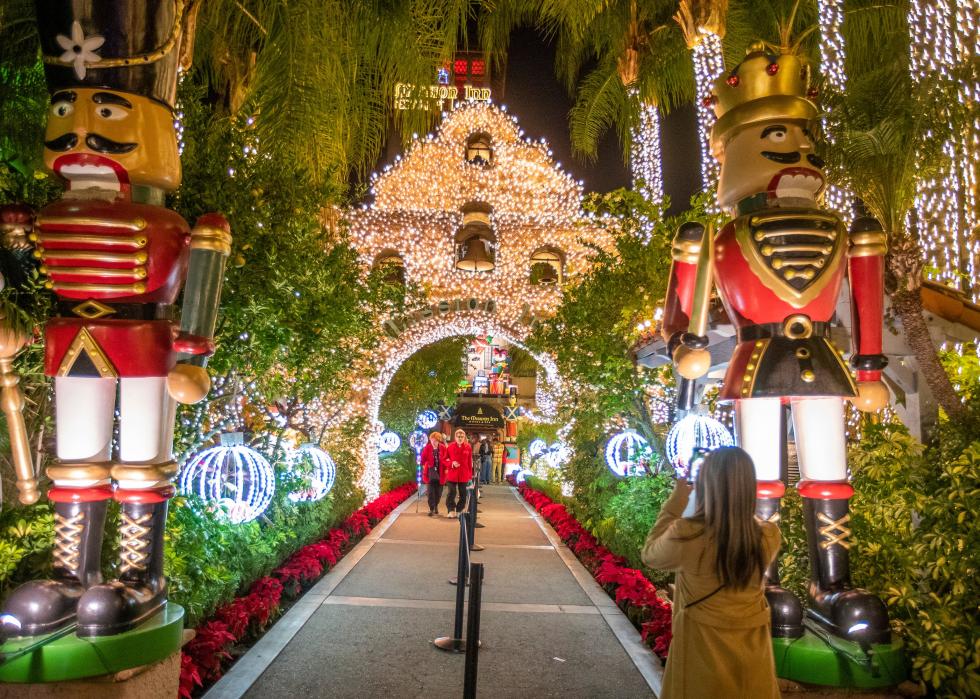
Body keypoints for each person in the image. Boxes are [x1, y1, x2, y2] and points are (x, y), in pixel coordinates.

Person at [641, 447, 781, 699]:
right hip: (752, 659)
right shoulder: (768, 536)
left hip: (701, 655)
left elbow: (650, 555)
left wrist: (674, 506)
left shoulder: (689, 534)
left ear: (706, 484)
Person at [444, 429, 473, 517]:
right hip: (452, 474)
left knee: (463, 493)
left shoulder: (468, 447)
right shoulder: (450, 447)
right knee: (451, 492)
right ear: (455, 437)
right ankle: (451, 509)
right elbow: (444, 459)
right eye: (458, 437)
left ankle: (460, 509)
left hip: (464, 474)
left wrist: (470, 476)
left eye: (462, 437)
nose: (460, 438)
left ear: (464, 438)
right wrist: (451, 463)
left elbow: (469, 462)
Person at [420, 432, 449, 516]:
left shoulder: (443, 448)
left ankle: (436, 505)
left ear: (439, 440)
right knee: (430, 493)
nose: (433, 441)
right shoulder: (427, 448)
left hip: (441, 473)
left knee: (438, 493)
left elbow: (447, 459)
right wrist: (422, 464)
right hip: (430, 473)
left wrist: (447, 468)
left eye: (435, 440)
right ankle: (431, 509)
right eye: (432, 439)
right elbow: (423, 459)